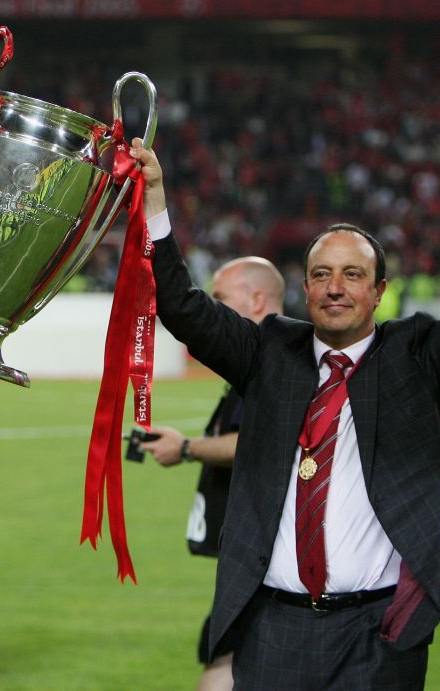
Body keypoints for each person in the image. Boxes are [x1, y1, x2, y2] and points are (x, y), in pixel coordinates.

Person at [130, 137, 440, 689]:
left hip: (378, 635)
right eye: (321, 274)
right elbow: (182, 307)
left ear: (379, 289)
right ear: (305, 286)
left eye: (352, 275)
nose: (334, 288)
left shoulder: (418, 358)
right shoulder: (268, 352)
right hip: (272, 629)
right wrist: (154, 202)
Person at [139, 256, 285, 691]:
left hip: (269, 552)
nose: (214, 311)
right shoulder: (267, 354)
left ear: (257, 299)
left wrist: (186, 448)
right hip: (261, 549)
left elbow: (257, 443)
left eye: (221, 299)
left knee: (227, 657)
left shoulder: (272, 359)